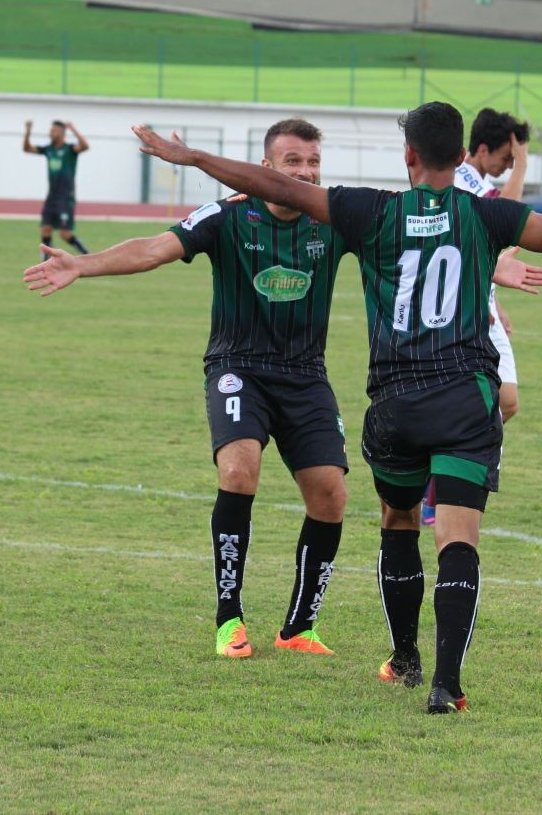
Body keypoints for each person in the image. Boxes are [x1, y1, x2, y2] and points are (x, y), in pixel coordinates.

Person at [133, 103, 542, 714]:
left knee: (398, 521)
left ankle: (404, 659)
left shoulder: (373, 210)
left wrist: (194, 157)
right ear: (463, 157)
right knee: (458, 537)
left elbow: (279, 188)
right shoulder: (487, 214)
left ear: (409, 156)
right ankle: (447, 685)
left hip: (396, 401)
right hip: (464, 398)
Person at [24, 119, 355, 659]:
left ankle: (299, 627)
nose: (305, 172)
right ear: (265, 168)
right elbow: (154, 248)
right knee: (239, 470)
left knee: (331, 494)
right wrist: (83, 264)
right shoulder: (227, 215)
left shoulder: (335, 219)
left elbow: (402, 231)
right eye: (293, 161)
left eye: (313, 161)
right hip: (238, 367)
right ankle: (230, 619)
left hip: (306, 374)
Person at [421, 108, 534, 526]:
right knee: (488, 401)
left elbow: (483, 248)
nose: (507, 165)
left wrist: (494, 301)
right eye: (505, 157)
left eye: (512, 160)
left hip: (480, 301)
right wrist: (522, 168)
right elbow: (505, 220)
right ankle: (440, 487)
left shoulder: (477, 181)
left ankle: (438, 478)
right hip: (459, 309)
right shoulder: (463, 178)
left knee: (508, 403)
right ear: (481, 149)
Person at [24, 119, 88, 255]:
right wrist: (28, 131)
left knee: (65, 234)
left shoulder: (70, 149)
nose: (50, 133)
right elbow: (27, 148)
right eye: (50, 130)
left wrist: (72, 128)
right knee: (45, 229)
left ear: (62, 133)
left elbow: (85, 146)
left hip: (66, 198)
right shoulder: (48, 150)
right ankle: (46, 260)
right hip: (51, 197)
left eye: (54, 130)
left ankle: (86, 254)